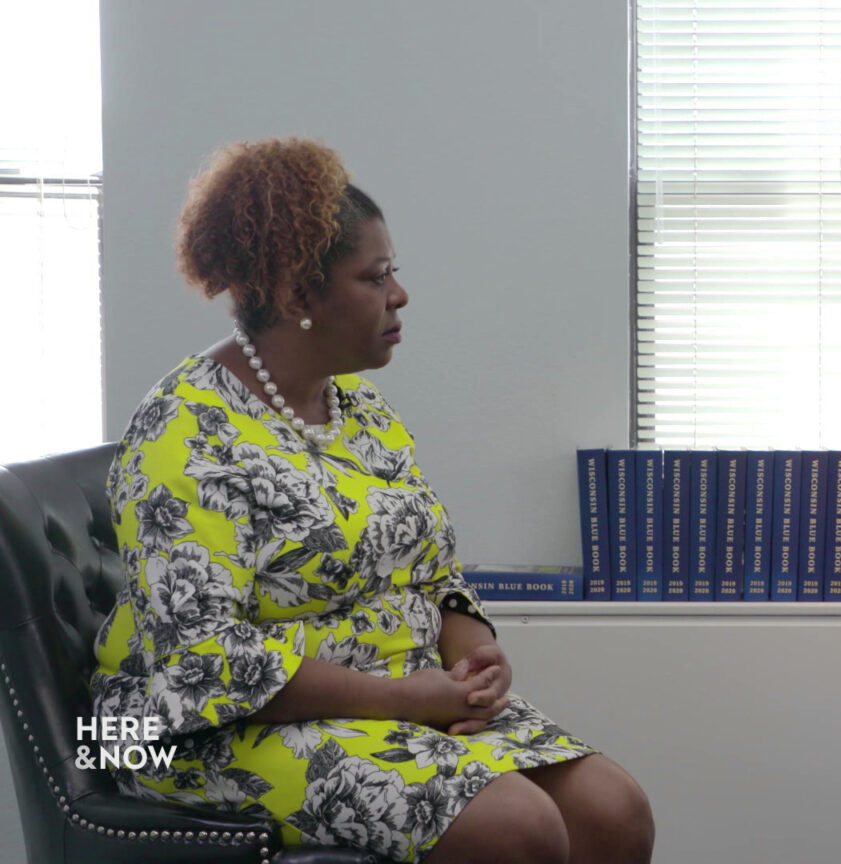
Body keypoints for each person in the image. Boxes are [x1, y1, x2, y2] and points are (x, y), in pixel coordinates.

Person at [90, 138, 655, 864]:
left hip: (402, 699)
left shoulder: (356, 406)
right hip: (203, 732)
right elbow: (209, 663)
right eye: (375, 276)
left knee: (614, 810)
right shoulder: (185, 433)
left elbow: (430, 572)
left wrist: (476, 656)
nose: (399, 295)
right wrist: (406, 700)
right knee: (517, 827)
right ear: (298, 295)